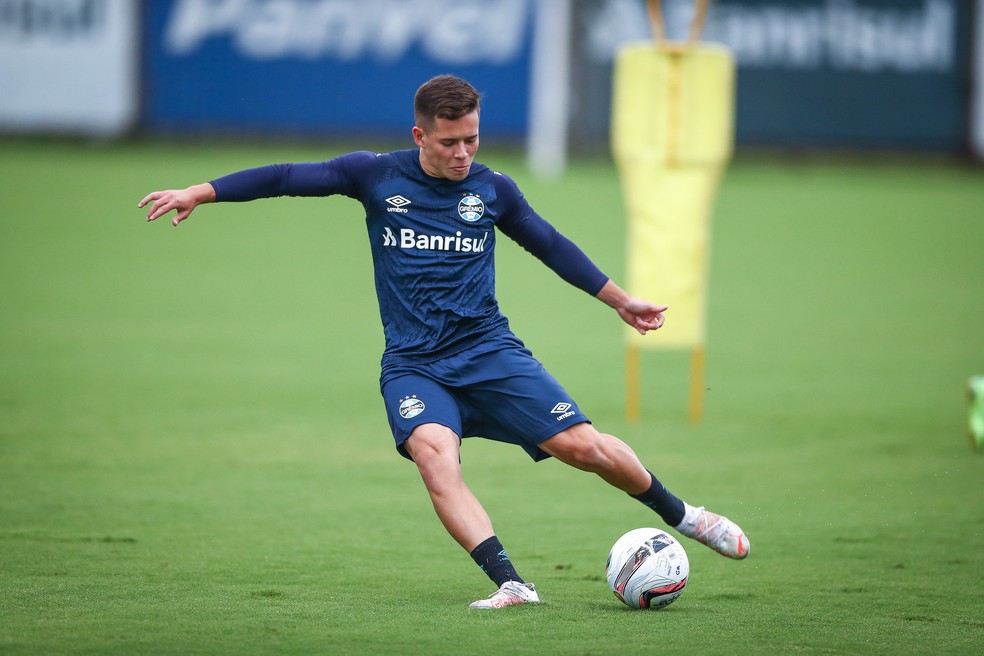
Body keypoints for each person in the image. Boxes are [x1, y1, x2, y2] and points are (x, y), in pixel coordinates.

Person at [139, 74, 749, 610]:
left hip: (489, 352)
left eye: (472, 139)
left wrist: (620, 299)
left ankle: (686, 517)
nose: (464, 153)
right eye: (450, 141)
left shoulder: (492, 190)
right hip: (413, 365)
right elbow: (284, 176)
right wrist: (202, 191)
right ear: (419, 136)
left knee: (582, 448)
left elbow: (550, 244)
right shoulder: (373, 175)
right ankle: (512, 583)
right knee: (436, 458)